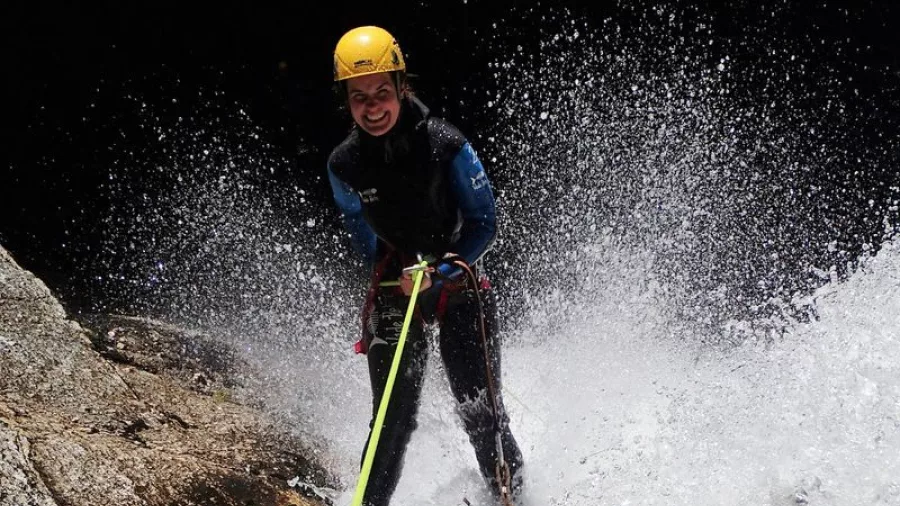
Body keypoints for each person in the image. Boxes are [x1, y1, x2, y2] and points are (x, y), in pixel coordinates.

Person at [326, 25, 525, 506]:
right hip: (398, 286)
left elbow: (485, 223)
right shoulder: (344, 165)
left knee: (482, 413)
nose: (373, 108)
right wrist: (392, 277)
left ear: (400, 86)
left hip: (457, 281)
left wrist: (445, 271)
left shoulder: (445, 143)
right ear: (347, 102)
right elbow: (362, 233)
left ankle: (513, 500)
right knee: (391, 417)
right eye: (359, 98)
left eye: (381, 93)